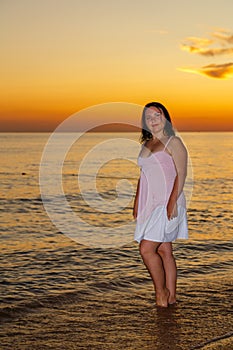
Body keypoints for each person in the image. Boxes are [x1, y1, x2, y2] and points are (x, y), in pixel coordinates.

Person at [133, 102, 188, 307]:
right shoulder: (146, 145)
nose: (153, 120)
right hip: (150, 203)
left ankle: (161, 293)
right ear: (144, 122)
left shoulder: (173, 142)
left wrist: (172, 202)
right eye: (149, 117)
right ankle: (172, 296)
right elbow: (143, 175)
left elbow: (181, 174)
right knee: (164, 250)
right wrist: (137, 201)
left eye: (157, 115)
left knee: (146, 249)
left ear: (165, 118)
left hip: (168, 201)